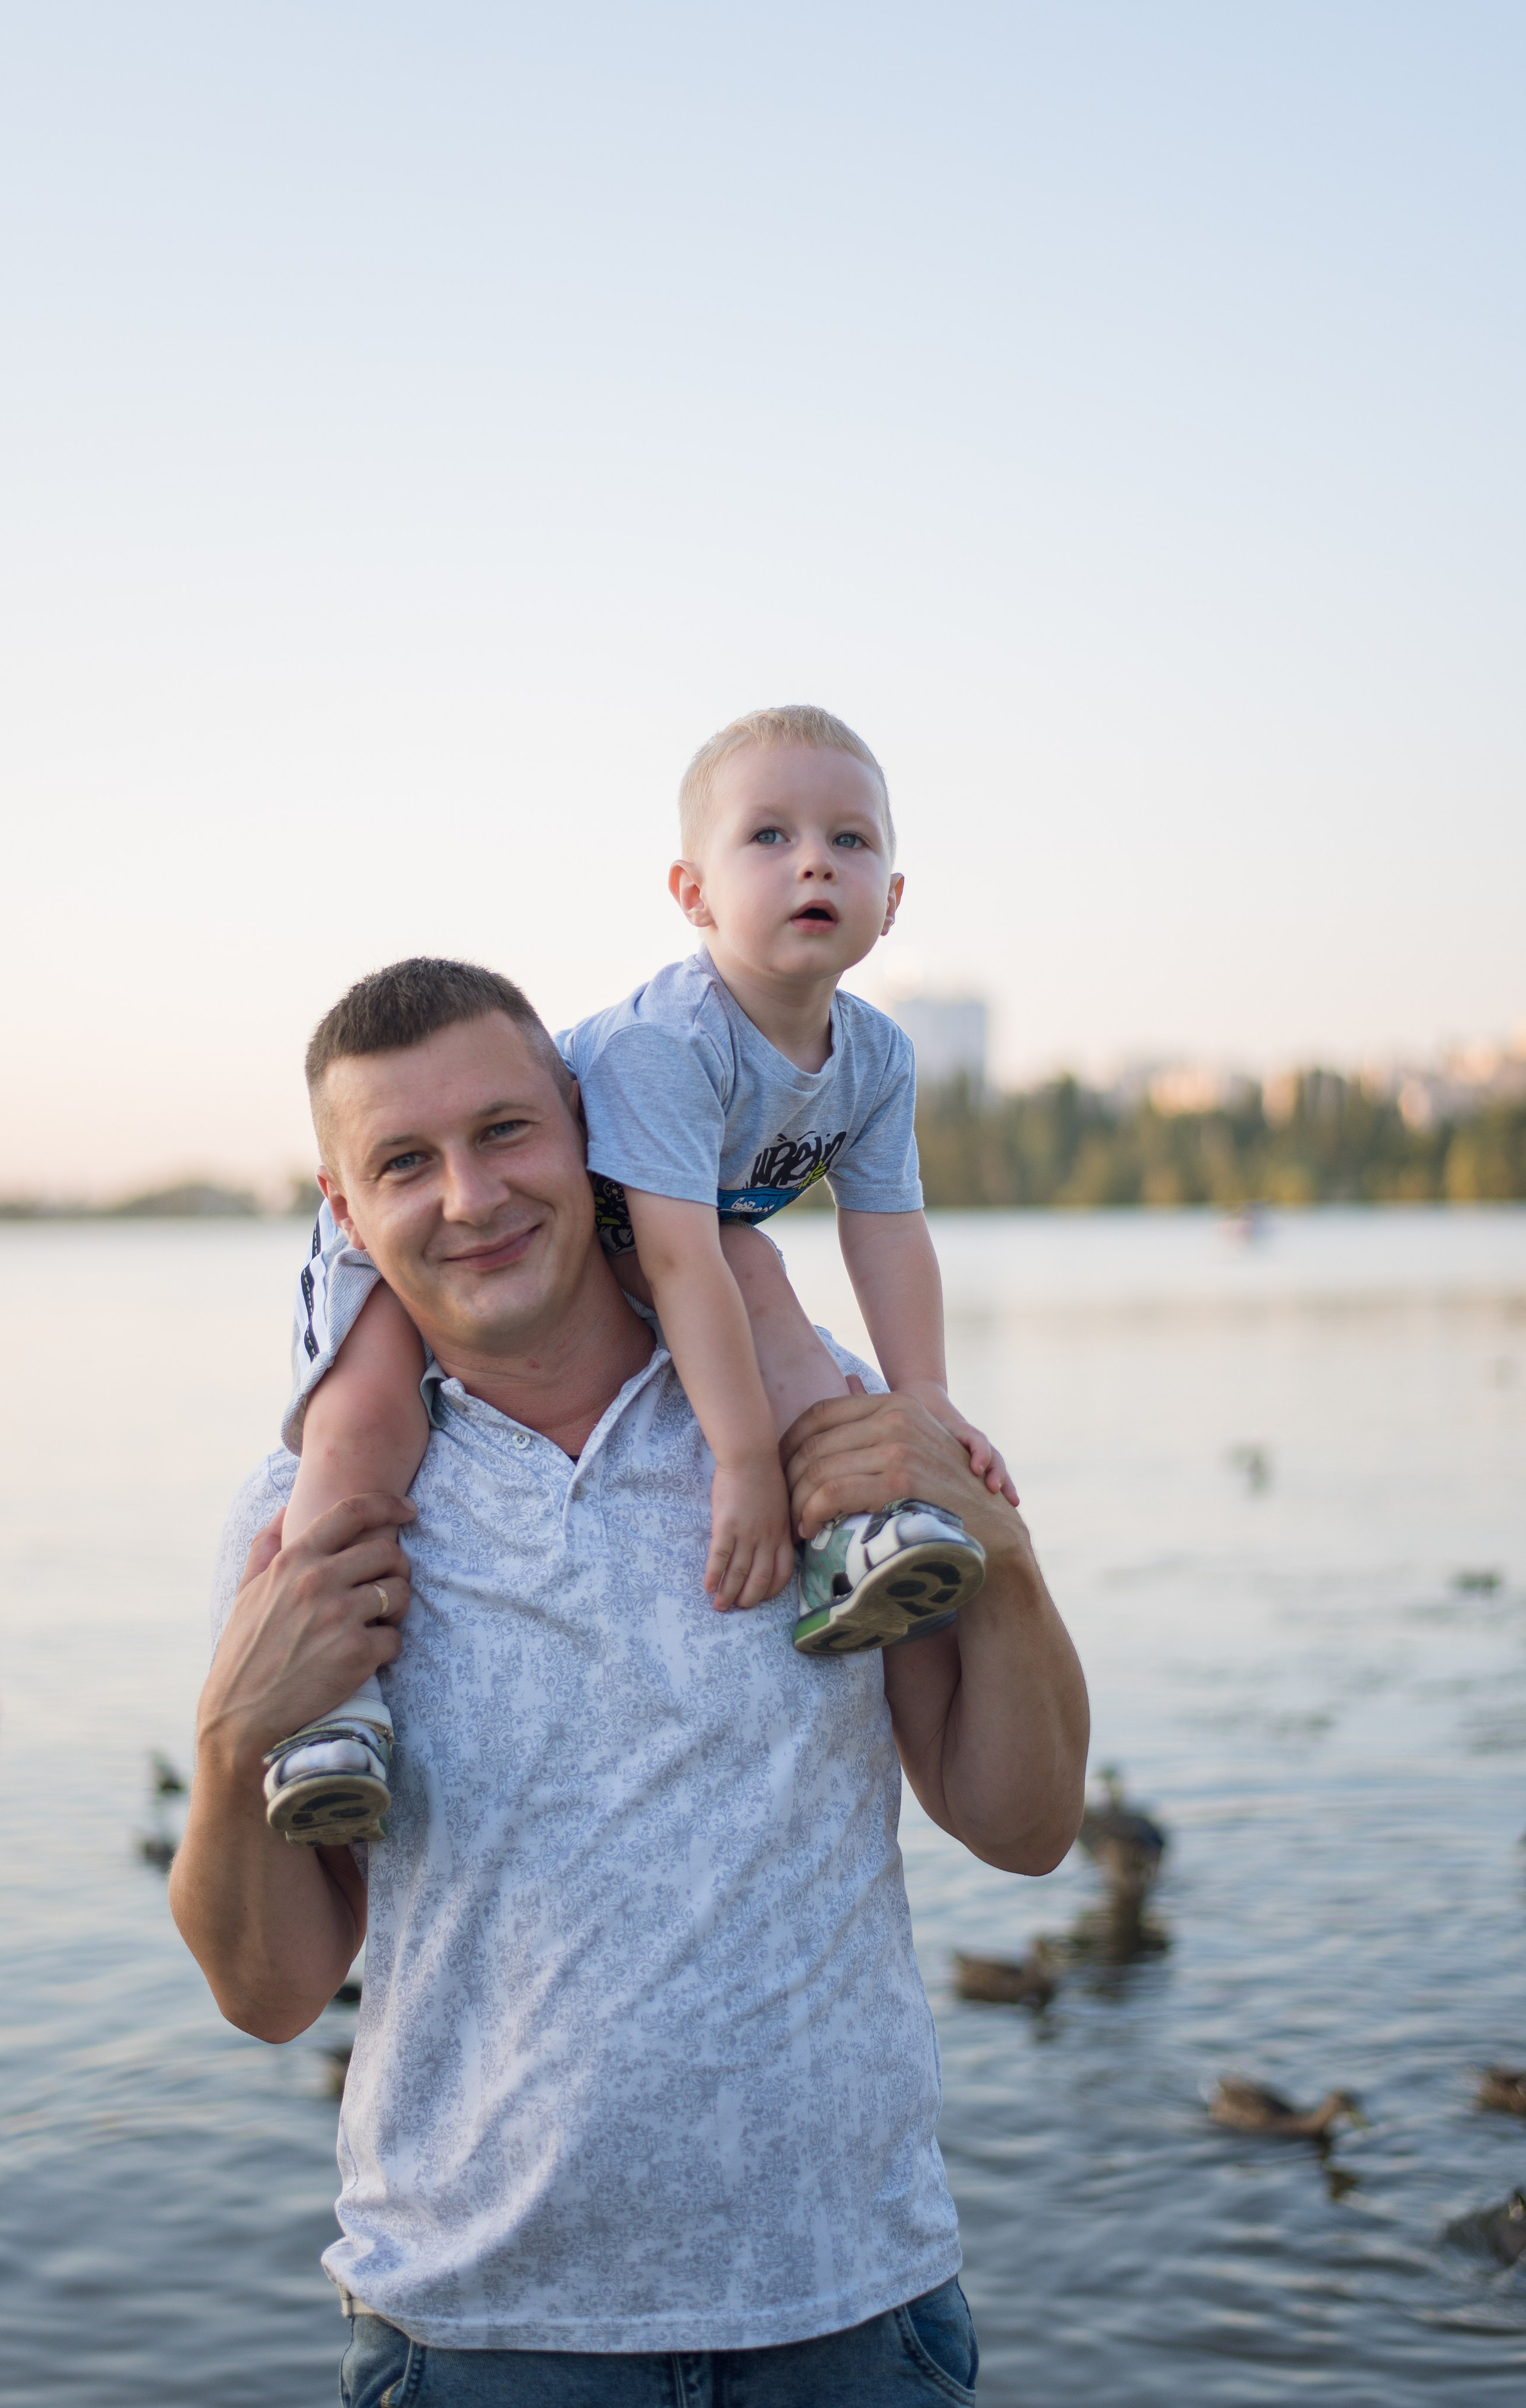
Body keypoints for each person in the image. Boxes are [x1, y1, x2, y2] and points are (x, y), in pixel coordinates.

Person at [169, 958, 1089, 2403]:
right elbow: (276, 1992)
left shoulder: (807, 1420)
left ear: (592, 1134)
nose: (469, 1198)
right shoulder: (311, 1530)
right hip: (473, 2337)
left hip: (848, 2316)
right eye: (405, 1163)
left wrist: (1005, 1559)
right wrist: (231, 1747)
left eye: (505, 1133)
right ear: (345, 1216)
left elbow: (1023, 1828)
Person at [263, 705, 1019, 1850]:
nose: (815, 858)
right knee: (362, 1420)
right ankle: (322, 1710)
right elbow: (674, 1259)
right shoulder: (674, 1042)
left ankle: (850, 1541)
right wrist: (741, 1463)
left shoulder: (876, 1054)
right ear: (694, 894)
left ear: (893, 899)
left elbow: (888, 1228)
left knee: (771, 1294)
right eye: (769, 836)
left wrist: (925, 1398)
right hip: (475, 1222)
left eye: (850, 841)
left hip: (651, 1223)